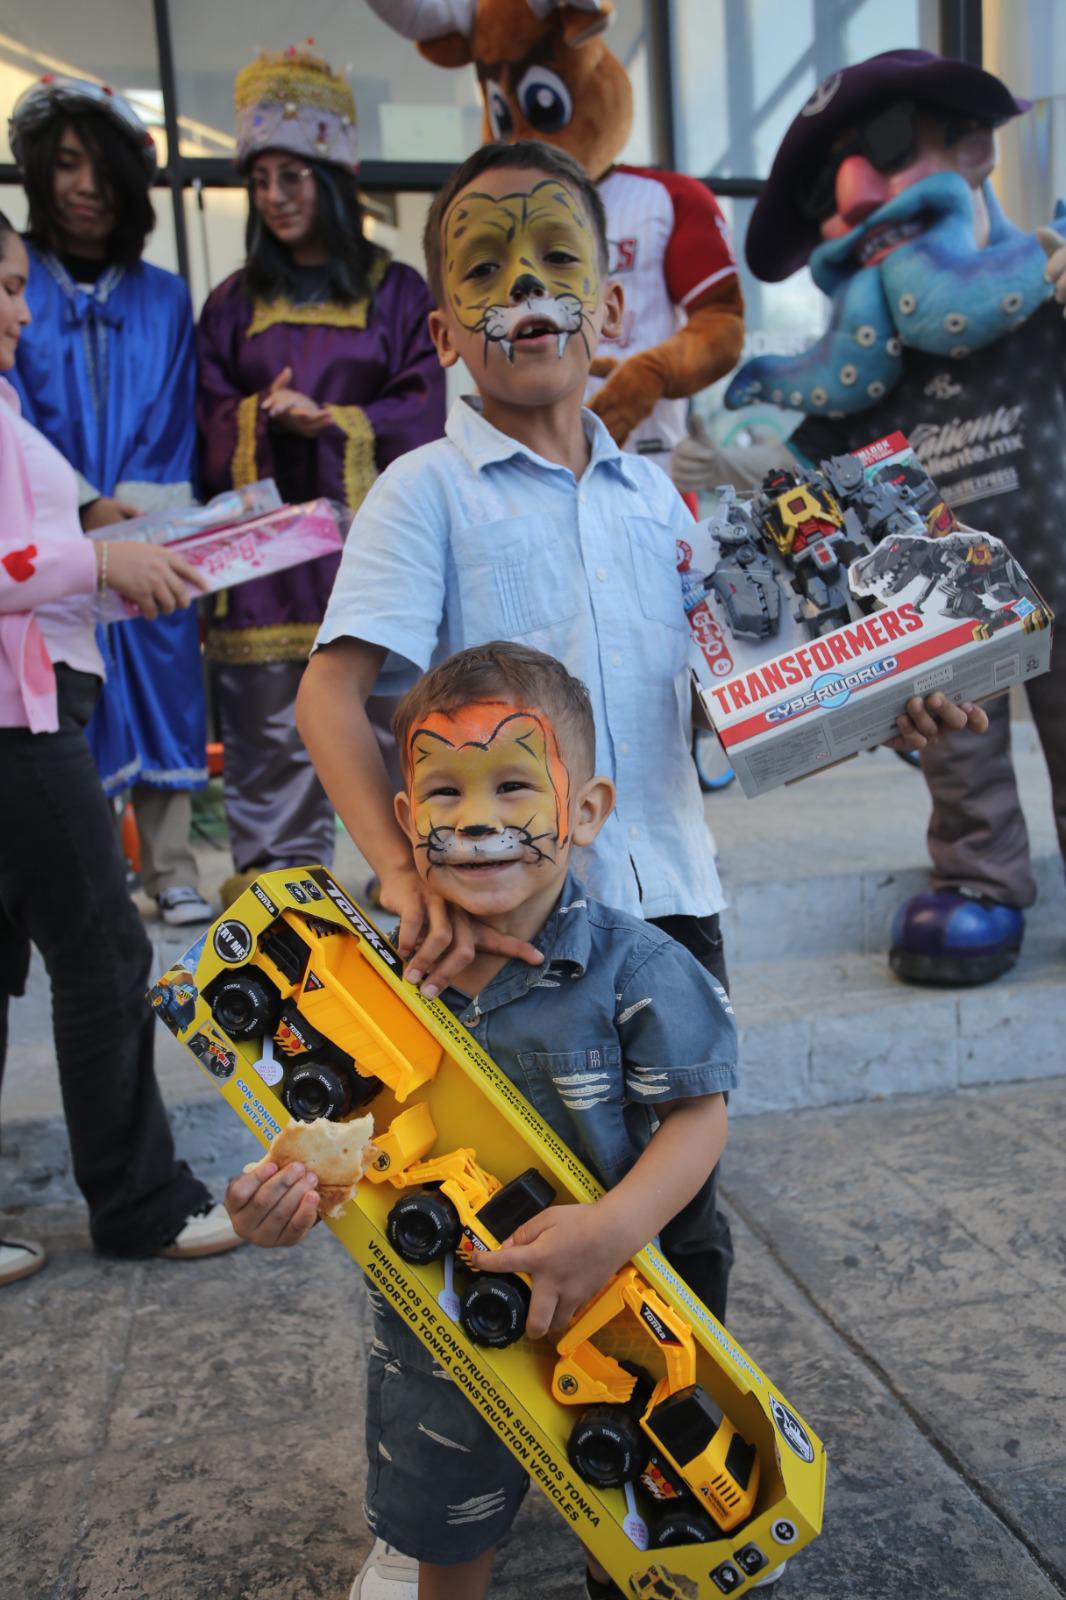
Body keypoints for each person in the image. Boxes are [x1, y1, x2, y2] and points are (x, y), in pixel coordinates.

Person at [227, 640, 771, 1600]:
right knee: (446, 1531)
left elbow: (700, 1118)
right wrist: (272, 1199)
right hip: (436, 1333)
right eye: (444, 793)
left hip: (611, 1315)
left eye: (514, 785)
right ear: (406, 819)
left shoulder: (638, 968)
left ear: (586, 810)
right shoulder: (369, 980)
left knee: (627, 1518)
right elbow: (332, 1140)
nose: (476, 821)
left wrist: (612, 1228)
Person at [719, 49, 1064, 988]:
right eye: (827, 189)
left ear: (976, 148)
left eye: (886, 143)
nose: (857, 191)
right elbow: (796, 487)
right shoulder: (858, 383)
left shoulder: (1046, 299)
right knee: (956, 746)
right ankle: (981, 878)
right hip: (941, 610)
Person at [0, 214, 241, 1286]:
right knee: (104, 953)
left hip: (37, 709)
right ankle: (140, 1202)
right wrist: (102, 564)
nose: (24, 311)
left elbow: (47, 538)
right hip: (17, 726)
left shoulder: (7, 404)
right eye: (8, 286)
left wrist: (119, 545)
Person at [196, 45, 445, 905]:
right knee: (268, 730)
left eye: (293, 175)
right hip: (266, 566)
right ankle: (281, 903)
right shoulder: (231, 302)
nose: (275, 196)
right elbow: (207, 411)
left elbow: (424, 406)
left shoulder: (399, 292)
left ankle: (414, 883)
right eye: (261, 179)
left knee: (396, 721)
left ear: (333, 179)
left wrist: (334, 421)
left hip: (372, 551)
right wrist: (257, 417)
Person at [367, 0, 744, 464]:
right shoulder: (426, 487)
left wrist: (653, 373)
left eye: (561, 257)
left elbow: (721, 320)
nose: (528, 283)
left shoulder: (666, 197)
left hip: (654, 463)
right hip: (515, 469)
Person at [8, 76, 212, 929]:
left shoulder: (163, 296)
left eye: (101, 168)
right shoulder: (19, 283)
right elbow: (12, 413)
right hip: (47, 530)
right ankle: (88, 868)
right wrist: (82, 506)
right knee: (63, 679)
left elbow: (173, 411)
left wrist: (128, 508)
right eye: (65, 165)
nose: (85, 186)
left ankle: (171, 864)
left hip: (144, 517)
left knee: (160, 666)